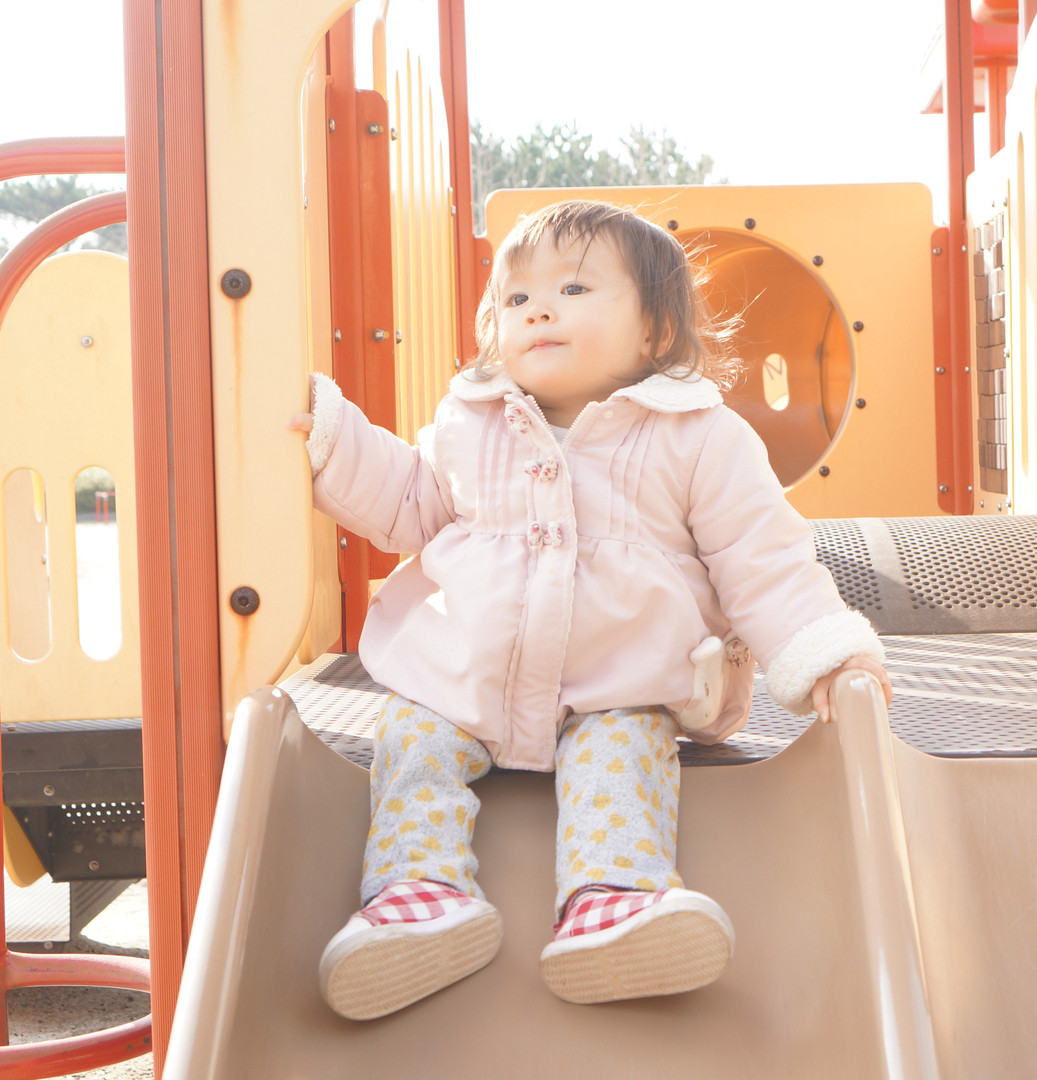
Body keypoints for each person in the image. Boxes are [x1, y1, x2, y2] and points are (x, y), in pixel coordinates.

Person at [290, 199, 891, 1020]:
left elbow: (761, 556)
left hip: (618, 684)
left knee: (623, 750)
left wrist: (819, 650)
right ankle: (417, 899)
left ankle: (614, 902)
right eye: (516, 298)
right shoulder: (470, 423)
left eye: (573, 290)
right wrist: (331, 440)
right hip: (462, 682)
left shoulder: (700, 437)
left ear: (655, 330)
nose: (538, 310)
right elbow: (406, 500)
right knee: (411, 741)